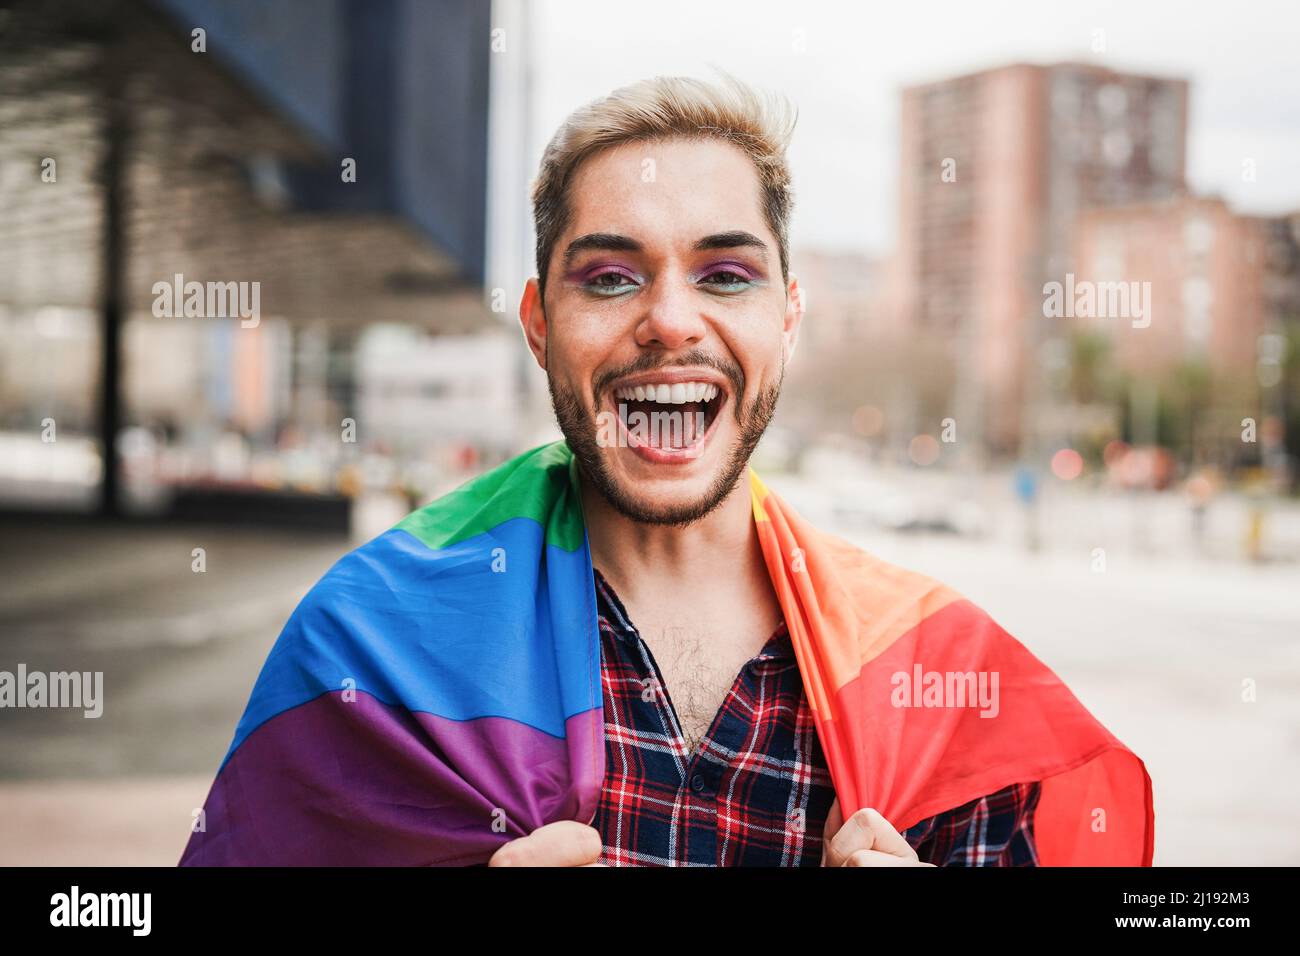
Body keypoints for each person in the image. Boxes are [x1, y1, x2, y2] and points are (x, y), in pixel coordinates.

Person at [180, 75, 1152, 868]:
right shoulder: (372, 639)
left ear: (788, 317)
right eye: (609, 277)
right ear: (536, 323)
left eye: (726, 274)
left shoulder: (936, 685)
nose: (673, 320)